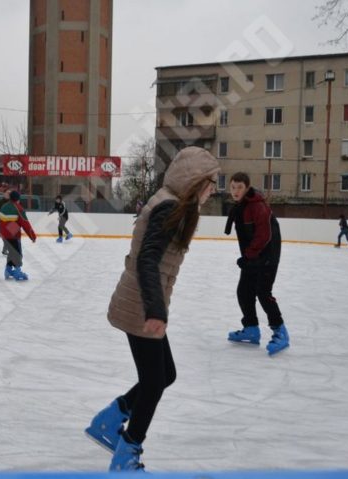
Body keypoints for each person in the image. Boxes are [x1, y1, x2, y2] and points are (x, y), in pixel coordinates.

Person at [87, 147, 220, 472]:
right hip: (141, 306)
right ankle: (127, 454)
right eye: (211, 182)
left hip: (142, 302)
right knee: (154, 382)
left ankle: (110, 419)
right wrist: (156, 311)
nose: (214, 189)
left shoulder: (172, 203)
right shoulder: (170, 207)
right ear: (195, 181)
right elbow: (148, 259)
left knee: (164, 375)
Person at [224, 172, 289, 356]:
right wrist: (248, 256)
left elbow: (264, 235)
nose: (235, 191)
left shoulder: (257, 206)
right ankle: (252, 329)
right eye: (233, 187)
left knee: (263, 291)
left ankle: (280, 331)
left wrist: (249, 255)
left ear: (247, 188)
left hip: (268, 254)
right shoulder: (241, 206)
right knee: (244, 291)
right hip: (253, 255)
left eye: (239, 188)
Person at [0, 190, 37, 280]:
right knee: (17, 253)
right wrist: (32, 236)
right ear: (17, 199)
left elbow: (1, 222)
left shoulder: (4, 206)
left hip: (4, 234)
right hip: (13, 235)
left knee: (11, 253)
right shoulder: (18, 208)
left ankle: (8, 270)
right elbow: (25, 224)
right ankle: (17, 272)